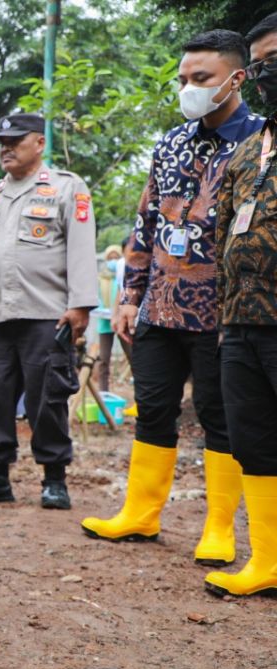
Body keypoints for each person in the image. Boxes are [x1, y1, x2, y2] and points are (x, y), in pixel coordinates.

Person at [82, 31, 263, 564]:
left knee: (218, 413)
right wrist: (129, 294)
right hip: (160, 304)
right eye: (184, 79)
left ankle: (219, 528)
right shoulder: (171, 142)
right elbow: (146, 223)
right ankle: (140, 512)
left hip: (224, 310)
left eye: (200, 79)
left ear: (237, 77)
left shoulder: (260, 141)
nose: (188, 88)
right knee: (154, 407)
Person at [0, 112, 98, 510]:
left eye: (15, 141)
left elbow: (82, 248)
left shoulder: (66, 188)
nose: (5, 148)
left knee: (46, 399)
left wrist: (80, 306)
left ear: (39, 143)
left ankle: (54, 480)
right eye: (2, 142)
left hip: (47, 315)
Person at [205, 13, 277, 597]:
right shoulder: (250, 149)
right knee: (253, 439)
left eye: (275, 56)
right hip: (244, 323)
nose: (265, 71)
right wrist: (227, 316)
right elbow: (226, 231)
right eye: (258, 63)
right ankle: (267, 561)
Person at [93, 246, 128, 394]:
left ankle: (142, 396)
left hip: (122, 322)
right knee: (103, 360)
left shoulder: (123, 278)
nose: (113, 261)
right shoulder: (100, 279)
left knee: (132, 356)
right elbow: (96, 297)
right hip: (104, 322)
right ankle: (103, 393)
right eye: (110, 258)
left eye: (116, 258)